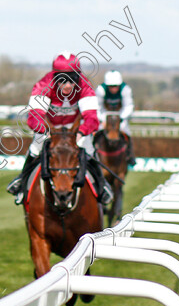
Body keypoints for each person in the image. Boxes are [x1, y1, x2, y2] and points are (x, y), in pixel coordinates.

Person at [6, 51, 114, 205]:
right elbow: (34, 117)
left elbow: (92, 118)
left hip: (75, 129)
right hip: (50, 128)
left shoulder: (85, 86)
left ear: (78, 77)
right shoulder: (43, 85)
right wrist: (45, 131)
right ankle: (22, 184)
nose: (68, 85)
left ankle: (102, 185)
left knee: (88, 148)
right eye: (63, 81)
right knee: (36, 147)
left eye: (72, 80)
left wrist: (82, 132)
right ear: (55, 78)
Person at [95, 70, 136, 165]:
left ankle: (130, 156)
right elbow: (98, 107)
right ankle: (93, 154)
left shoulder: (126, 89)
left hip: (120, 114)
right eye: (111, 86)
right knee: (97, 132)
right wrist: (103, 119)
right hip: (105, 114)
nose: (113, 89)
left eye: (115, 86)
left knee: (126, 132)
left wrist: (121, 118)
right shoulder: (100, 90)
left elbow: (128, 106)